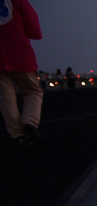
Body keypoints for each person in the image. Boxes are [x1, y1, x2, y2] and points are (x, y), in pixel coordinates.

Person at [0, 0, 44, 147]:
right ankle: (30, 123)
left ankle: (17, 134)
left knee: (6, 98)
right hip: (20, 55)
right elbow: (34, 31)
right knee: (33, 91)